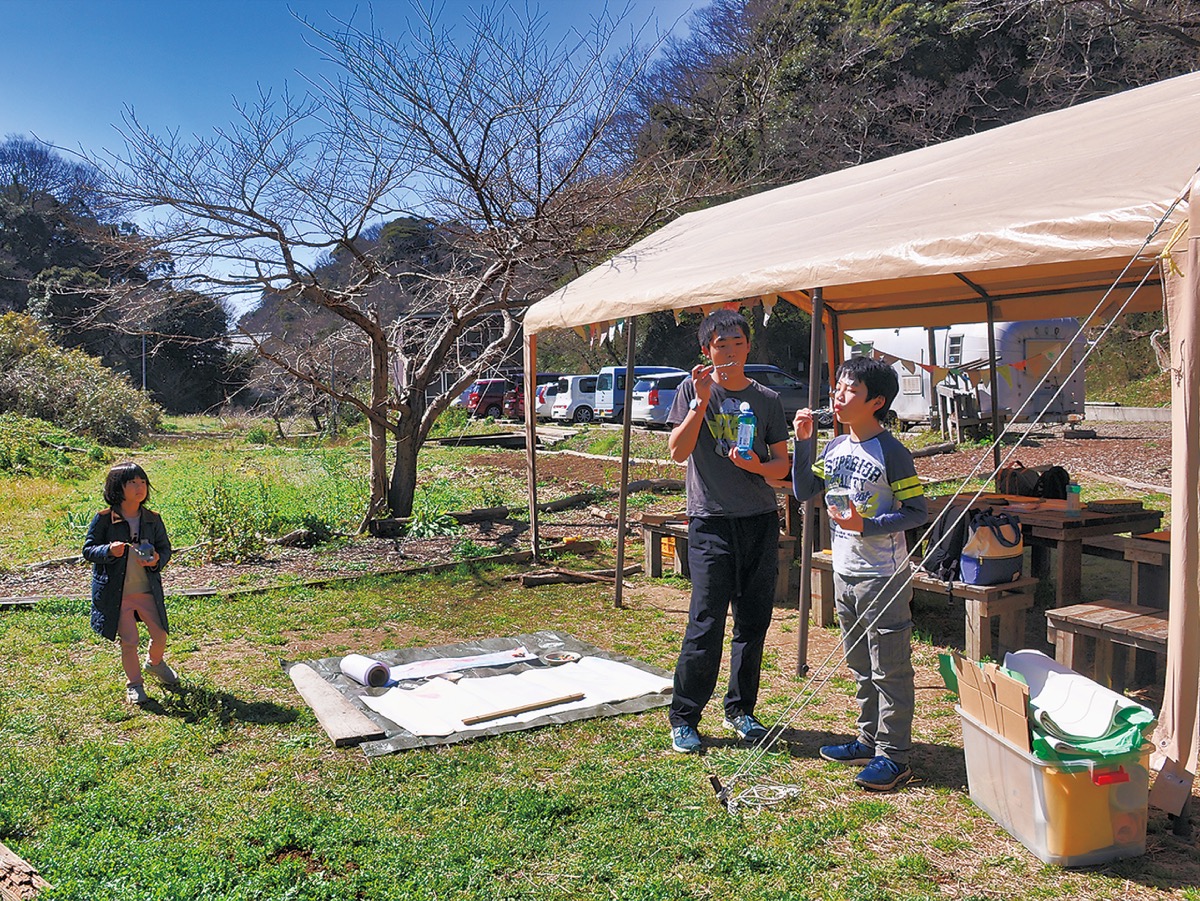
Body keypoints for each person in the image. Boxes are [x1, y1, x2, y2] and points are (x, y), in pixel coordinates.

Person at [791, 355, 927, 791]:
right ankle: (868, 740)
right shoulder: (834, 448)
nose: (838, 396)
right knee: (859, 664)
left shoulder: (892, 452)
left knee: (890, 669)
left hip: (882, 575)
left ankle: (895, 756)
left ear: (876, 402)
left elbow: (917, 512)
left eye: (849, 390)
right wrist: (804, 443)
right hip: (843, 571)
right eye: (838, 387)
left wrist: (866, 525)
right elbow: (803, 491)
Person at [666, 309, 791, 754]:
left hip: (759, 519)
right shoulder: (692, 390)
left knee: (754, 622)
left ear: (748, 346)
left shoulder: (767, 399)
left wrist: (759, 466)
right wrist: (700, 403)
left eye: (737, 343)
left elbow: (782, 465)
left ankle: (741, 710)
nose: (730, 352)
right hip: (710, 522)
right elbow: (679, 452)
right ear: (706, 350)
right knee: (705, 622)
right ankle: (684, 716)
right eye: (721, 345)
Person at [82, 461, 177, 705]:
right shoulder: (104, 519)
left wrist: (156, 560)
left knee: (160, 634)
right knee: (129, 640)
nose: (140, 488)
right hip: (118, 593)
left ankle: (154, 664)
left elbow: (165, 548)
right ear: (117, 488)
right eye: (132, 483)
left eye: (143, 482)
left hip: (146, 590)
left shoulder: (153, 519)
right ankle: (134, 684)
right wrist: (108, 551)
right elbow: (88, 550)